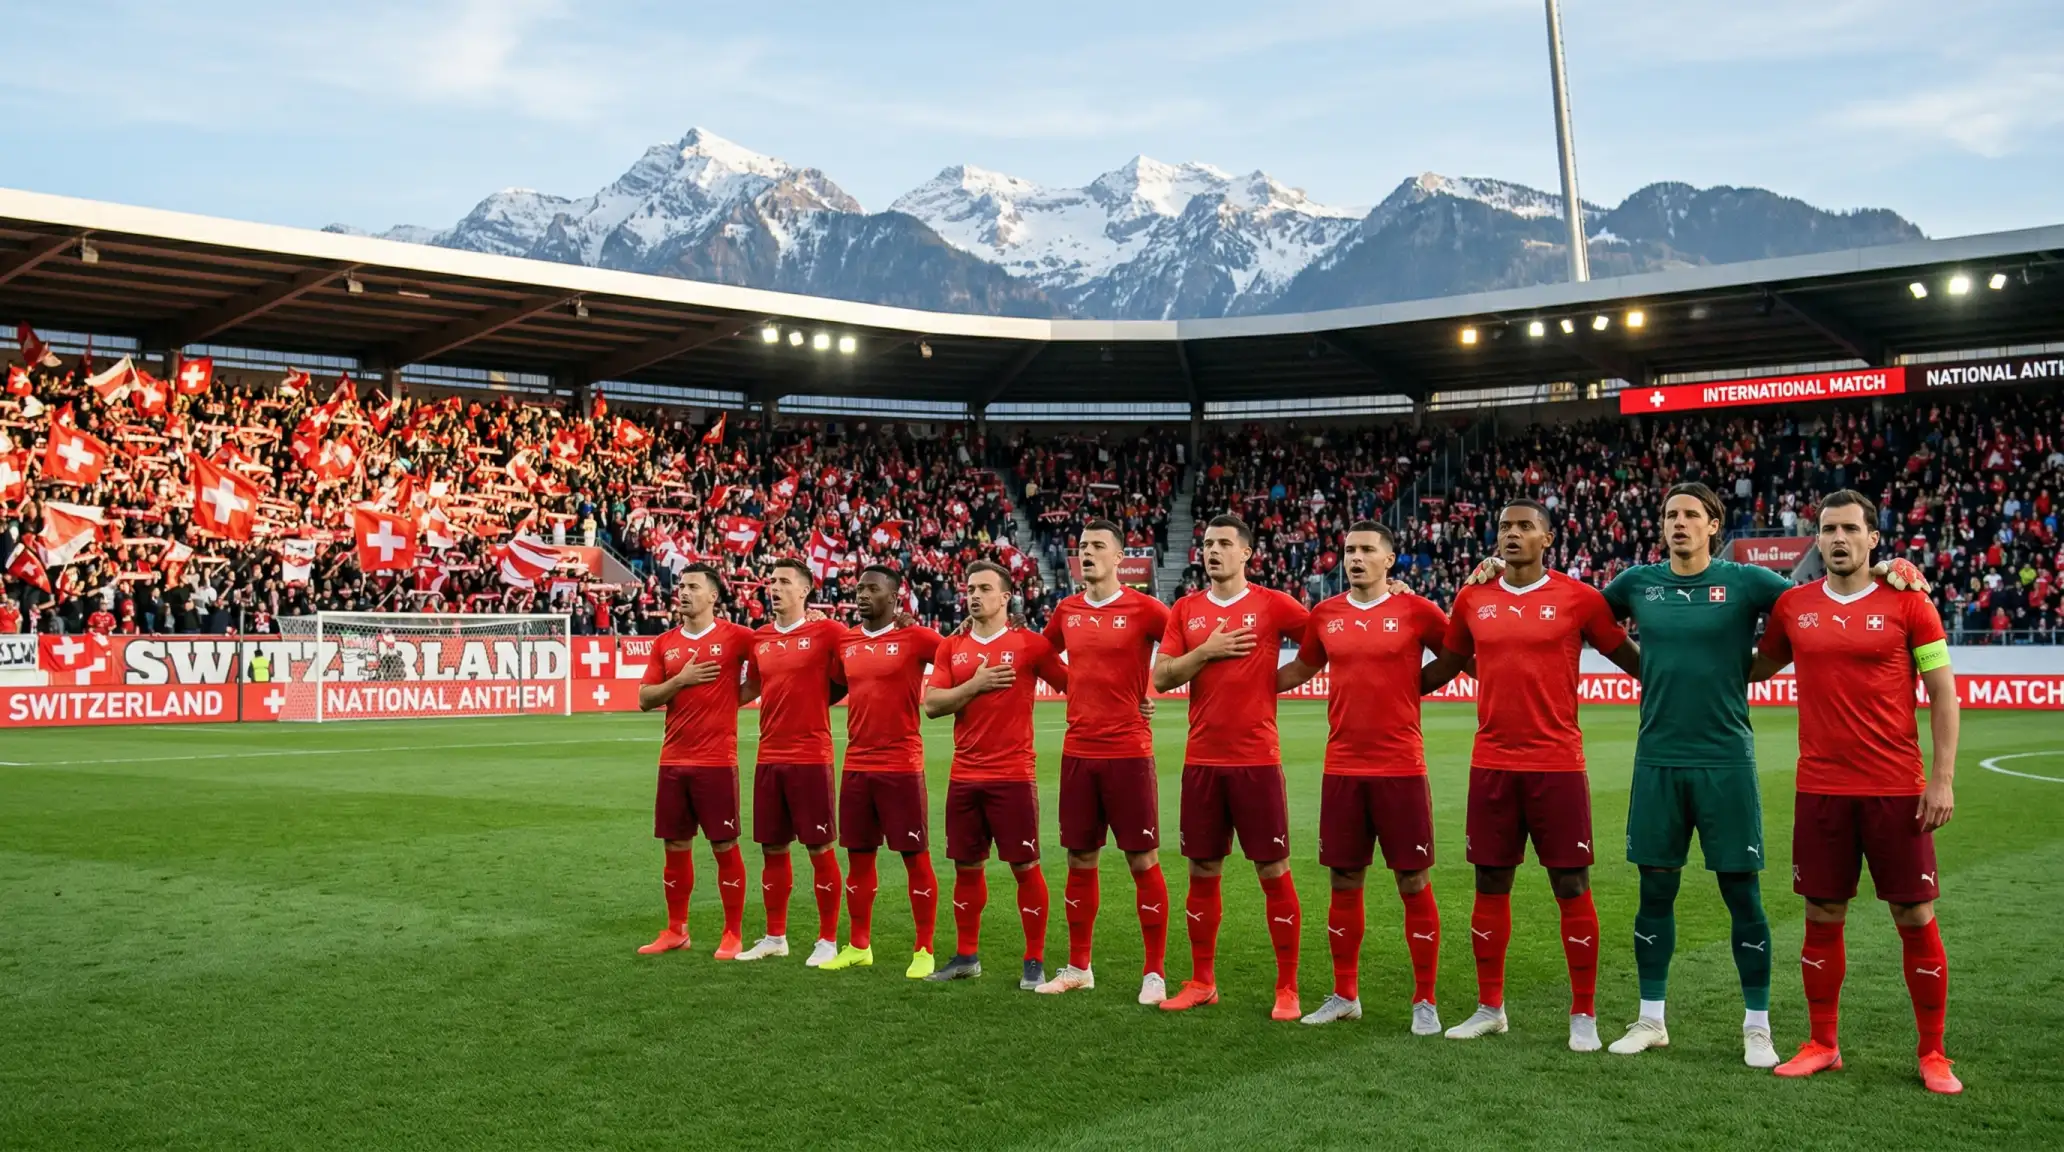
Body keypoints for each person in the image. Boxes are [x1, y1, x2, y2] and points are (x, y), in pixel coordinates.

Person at [1755, 490, 1963, 1094]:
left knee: (1914, 914)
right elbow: (1756, 667)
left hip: (1896, 789)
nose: (1837, 539)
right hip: (1821, 788)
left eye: (1850, 529)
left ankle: (1933, 1053)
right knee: (1821, 914)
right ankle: (1823, 1043)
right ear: (1816, 539)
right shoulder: (1793, 607)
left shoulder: (1909, 603)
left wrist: (1942, 779)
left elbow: (1943, 694)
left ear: (1874, 538)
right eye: (1827, 530)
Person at [1421, 499, 1641, 1051]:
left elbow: (1631, 659)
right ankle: (1490, 1007)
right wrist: (1375, 684)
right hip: (1492, 763)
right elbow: (1446, 666)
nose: (1512, 534)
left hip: (1557, 765)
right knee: (1490, 881)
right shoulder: (1472, 598)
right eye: (1504, 527)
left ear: (1548, 538)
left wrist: (1691, 677)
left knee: (1571, 883)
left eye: (1525, 526)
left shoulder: (1579, 599)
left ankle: (1584, 1014)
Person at [1592, 482, 1793, 1066]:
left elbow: (1815, 605)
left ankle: (1757, 1025)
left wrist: (1884, 568)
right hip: (1656, 760)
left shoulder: (1747, 582)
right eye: (1669, 515)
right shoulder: (1636, 584)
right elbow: (1584, 621)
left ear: (1713, 525)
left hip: (1726, 760)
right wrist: (1642, 664)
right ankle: (1651, 1018)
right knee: (1655, 890)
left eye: (1690, 515)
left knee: (1742, 892)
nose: (1678, 523)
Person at [1276, 520, 1448, 1033]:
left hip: (1400, 767)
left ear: (1389, 560)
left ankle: (1425, 1001)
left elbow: (1458, 655)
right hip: (1343, 768)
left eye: (1367, 550)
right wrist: (1235, 685)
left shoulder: (1417, 610)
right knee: (1344, 878)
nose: (1355, 558)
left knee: (1412, 880)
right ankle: (1345, 994)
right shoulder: (1326, 615)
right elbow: (1299, 670)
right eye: (1349, 550)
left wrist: (1413, 686)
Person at [1152, 514, 1311, 1021]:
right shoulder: (1187, 608)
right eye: (1208, 543)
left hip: (1256, 760)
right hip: (1202, 760)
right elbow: (1162, 676)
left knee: (1272, 868)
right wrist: (1207, 651)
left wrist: (1273, 681)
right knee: (1202, 868)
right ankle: (1202, 981)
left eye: (1224, 543)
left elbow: (1325, 640)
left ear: (1247, 553)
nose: (1213, 550)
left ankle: (1287, 987)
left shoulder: (1271, 604)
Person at [1034, 518, 1174, 1003]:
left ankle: (1154, 972)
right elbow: (1038, 653)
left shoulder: (1145, 608)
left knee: (1142, 858)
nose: (1087, 553)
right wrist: (1072, 686)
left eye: (1098, 546)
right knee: (1079, 857)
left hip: (1128, 752)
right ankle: (1078, 967)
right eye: (1082, 547)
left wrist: (1147, 690)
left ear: (1120, 559)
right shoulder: (1066, 609)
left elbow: (1182, 650)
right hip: (1079, 752)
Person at [922, 561, 1070, 989]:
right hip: (964, 776)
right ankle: (967, 956)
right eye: (970, 588)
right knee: (967, 868)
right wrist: (976, 685)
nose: (973, 594)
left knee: (1024, 867)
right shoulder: (952, 647)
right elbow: (933, 705)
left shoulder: (1030, 645)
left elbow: (1072, 686)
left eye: (985, 588)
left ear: (1006, 597)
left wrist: (1132, 702)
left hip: (1013, 776)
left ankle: (1034, 960)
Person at [827, 565, 945, 978]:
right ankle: (859, 945)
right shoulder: (847, 641)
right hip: (857, 766)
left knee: (915, 858)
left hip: (901, 766)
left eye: (871, 589)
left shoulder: (916, 638)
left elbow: (958, 656)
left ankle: (924, 949)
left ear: (894, 598)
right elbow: (835, 686)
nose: (861, 595)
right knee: (858, 860)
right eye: (858, 588)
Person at [635, 565, 756, 958]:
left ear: (713, 597)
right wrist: (680, 681)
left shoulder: (737, 637)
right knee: (674, 843)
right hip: (673, 760)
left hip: (717, 761)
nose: (683, 592)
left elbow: (770, 659)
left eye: (693, 587)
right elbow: (644, 699)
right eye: (681, 585)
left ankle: (733, 932)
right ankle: (676, 930)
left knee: (724, 844)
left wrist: (731, 699)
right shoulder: (665, 643)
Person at [734, 559, 850, 967]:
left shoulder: (829, 631)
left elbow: (856, 671)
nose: (775, 587)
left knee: (819, 847)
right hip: (769, 756)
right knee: (772, 848)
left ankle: (827, 939)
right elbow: (750, 686)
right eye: (772, 581)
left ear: (805, 590)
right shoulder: (760, 638)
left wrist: (819, 700)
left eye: (785, 582)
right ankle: (775, 936)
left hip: (810, 756)